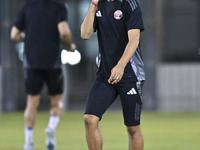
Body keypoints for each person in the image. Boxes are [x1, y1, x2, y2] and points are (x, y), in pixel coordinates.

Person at [10, 0, 76, 150]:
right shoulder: (59, 6)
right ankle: (51, 128)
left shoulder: (28, 7)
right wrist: (70, 45)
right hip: (52, 62)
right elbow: (64, 31)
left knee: (31, 103)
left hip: (32, 63)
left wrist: (27, 39)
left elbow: (14, 34)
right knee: (56, 101)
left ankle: (28, 143)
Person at [81, 0, 145, 149]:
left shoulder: (130, 3)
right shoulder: (98, 5)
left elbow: (134, 39)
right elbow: (85, 34)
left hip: (130, 74)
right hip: (105, 75)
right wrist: (92, 5)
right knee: (90, 119)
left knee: (132, 128)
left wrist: (121, 66)